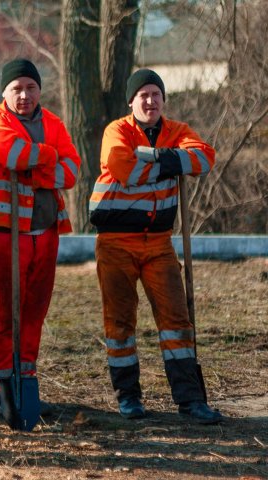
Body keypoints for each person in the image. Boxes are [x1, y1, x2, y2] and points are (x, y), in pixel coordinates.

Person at [89, 69, 222, 424]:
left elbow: (204, 158)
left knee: (177, 321)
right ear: (131, 101)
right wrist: (170, 163)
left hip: (160, 243)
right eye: (143, 95)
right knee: (119, 323)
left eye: (156, 95)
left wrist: (152, 157)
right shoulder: (116, 130)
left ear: (163, 100)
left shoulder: (177, 130)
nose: (150, 101)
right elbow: (122, 167)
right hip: (116, 242)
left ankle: (190, 399)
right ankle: (128, 398)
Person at [0, 59, 81, 420]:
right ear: (4, 92)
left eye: (30, 88)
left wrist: (38, 166)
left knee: (35, 311)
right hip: (6, 234)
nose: (24, 95)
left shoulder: (53, 122)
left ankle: (26, 376)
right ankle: (0, 384)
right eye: (16, 88)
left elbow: (72, 170)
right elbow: (13, 154)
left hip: (46, 232)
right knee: (4, 312)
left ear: (40, 90)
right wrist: (47, 158)